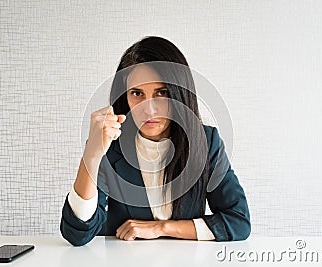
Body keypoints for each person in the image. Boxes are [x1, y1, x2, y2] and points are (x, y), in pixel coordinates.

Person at [60, 36, 251, 246]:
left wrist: (162, 228)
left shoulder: (206, 141)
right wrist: (91, 155)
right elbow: (77, 235)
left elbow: (238, 221)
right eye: (137, 93)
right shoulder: (110, 145)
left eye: (161, 93)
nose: (148, 109)